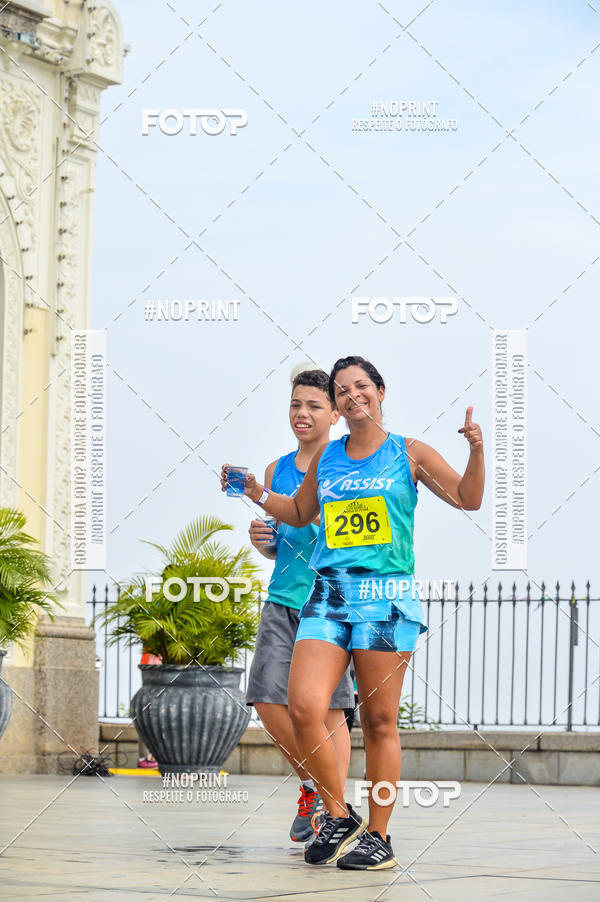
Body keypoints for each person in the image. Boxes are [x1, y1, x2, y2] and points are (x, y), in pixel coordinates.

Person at [221, 355, 484, 869]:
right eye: (342, 390)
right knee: (303, 707)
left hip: (385, 599)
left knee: (380, 721)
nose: (352, 394)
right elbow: (300, 512)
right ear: (338, 406)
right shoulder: (328, 457)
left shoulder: (409, 452)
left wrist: (476, 449)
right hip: (328, 595)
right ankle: (339, 815)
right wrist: (256, 492)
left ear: (380, 392)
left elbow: (467, 498)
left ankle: (379, 837)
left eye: (361, 385)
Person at [245, 366, 355, 844]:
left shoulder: (346, 464)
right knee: (267, 700)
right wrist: (263, 540)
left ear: (334, 413)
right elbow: (281, 540)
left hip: (328, 599)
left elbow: (344, 536)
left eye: (314, 405)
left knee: (330, 711)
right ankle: (316, 787)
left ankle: (333, 811)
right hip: (282, 596)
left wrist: (303, 516)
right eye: (296, 404)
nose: (302, 413)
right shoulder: (277, 469)